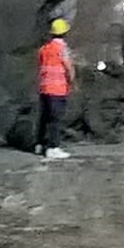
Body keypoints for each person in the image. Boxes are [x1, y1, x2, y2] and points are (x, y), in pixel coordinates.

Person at [36, 18, 76, 159]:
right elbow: (68, 67)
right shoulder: (62, 49)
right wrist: (72, 82)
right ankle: (53, 147)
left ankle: (39, 145)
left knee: (44, 118)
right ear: (65, 33)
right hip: (57, 89)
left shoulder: (44, 48)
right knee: (55, 119)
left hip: (44, 88)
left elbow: (41, 66)